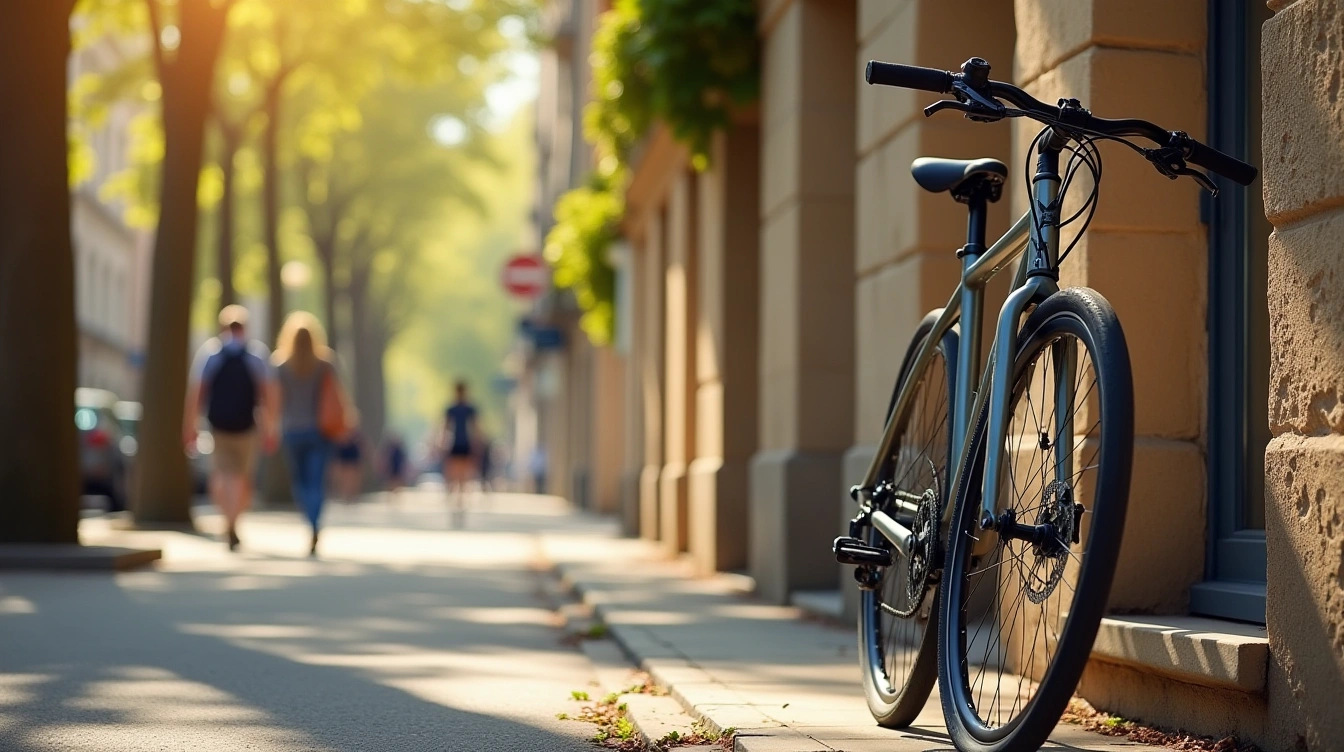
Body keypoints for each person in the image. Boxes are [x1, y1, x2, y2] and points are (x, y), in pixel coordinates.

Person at [184, 305, 275, 552]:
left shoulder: (211, 354)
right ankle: (234, 521)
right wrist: (270, 427)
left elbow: (197, 393)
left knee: (222, 475)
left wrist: (190, 426)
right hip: (247, 427)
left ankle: (228, 520)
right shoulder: (256, 355)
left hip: (218, 427)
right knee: (241, 477)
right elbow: (268, 394)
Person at [271, 311, 348, 556]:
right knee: (316, 480)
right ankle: (315, 521)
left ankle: (310, 518)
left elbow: (275, 400)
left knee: (301, 481)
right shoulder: (325, 363)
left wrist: (271, 426)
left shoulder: (280, 365)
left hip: (292, 430)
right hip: (320, 432)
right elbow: (338, 395)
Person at [440, 381, 478, 526]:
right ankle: (457, 500)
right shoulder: (454, 409)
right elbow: (445, 427)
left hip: (462, 444)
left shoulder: (467, 409)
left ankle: (459, 501)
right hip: (457, 444)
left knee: (461, 475)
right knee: (456, 474)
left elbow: (474, 427)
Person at [332, 428, 363, 504]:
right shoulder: (341, 434)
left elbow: (363, 447)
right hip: (345, 461)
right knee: (345, 479)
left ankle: (352, 495)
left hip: (353, 461)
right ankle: (345, 496)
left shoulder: (356, 436)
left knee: (353, 479)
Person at [379, 433, 408, 501]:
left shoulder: (400, 450)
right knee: (391, 481)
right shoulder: (389, 449)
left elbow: (403, 460)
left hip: (398, 468)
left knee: (397, 481)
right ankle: (391, 494)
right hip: (392, 468)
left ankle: (396, 494)